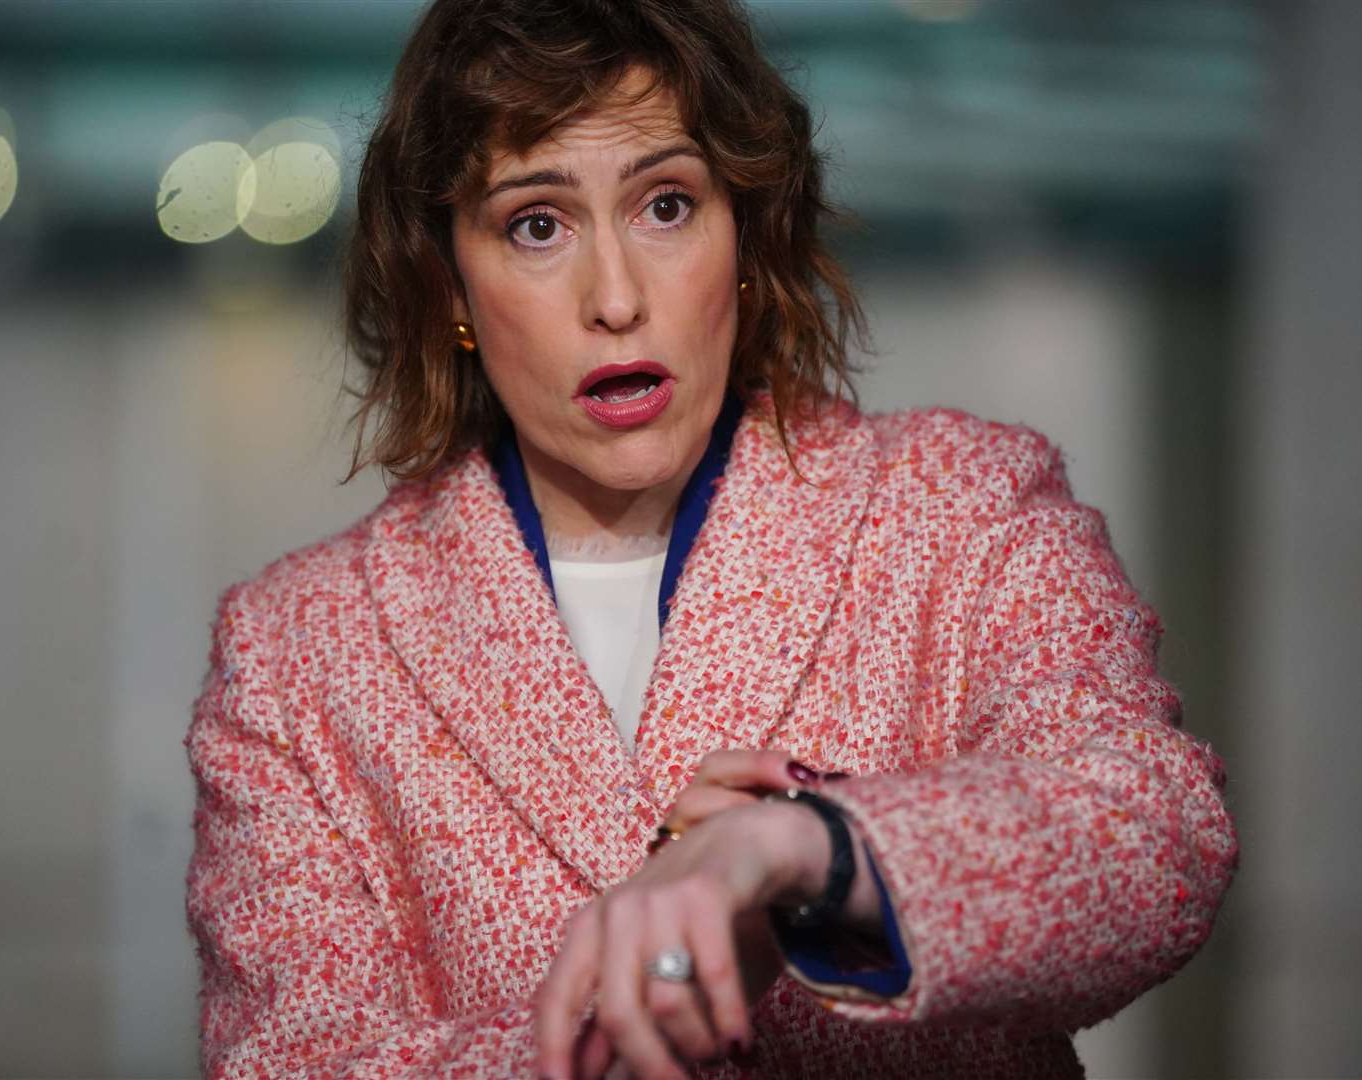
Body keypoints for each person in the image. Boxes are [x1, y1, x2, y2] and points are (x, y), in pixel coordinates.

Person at [183, 0, 1238, 1076]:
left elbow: (1153, 836)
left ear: (747, 236)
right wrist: (619, 1032)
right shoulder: (302, 652)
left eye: (668, 205)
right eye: (536, 224)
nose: (616, 298)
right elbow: (289, 1060)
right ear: (448, 285)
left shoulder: (961, 508)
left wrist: (813, 854)